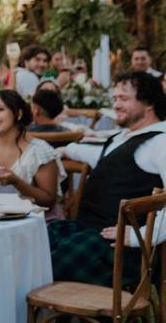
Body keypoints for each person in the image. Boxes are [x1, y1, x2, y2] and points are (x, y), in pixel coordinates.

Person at [49, 70, 166, 287]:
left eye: (124, 98)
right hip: (87, 231)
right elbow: (97, 155)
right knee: (31, 244)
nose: (116, 105)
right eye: (115, 99)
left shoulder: (162, 142)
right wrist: (66, 150)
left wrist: (143, 235)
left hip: (122, 251)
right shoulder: (122, 137)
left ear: (148, 103)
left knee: (41, 264)